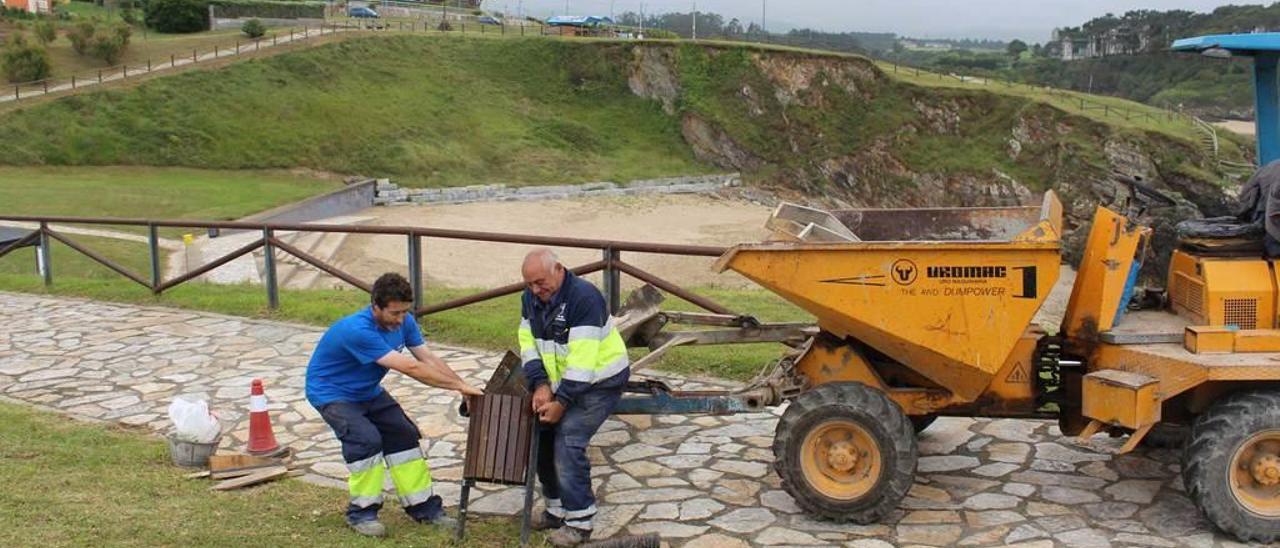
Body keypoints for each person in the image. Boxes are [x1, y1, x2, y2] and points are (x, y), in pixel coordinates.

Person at [305, 272, 483, 538]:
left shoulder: (405, 321)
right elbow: (411, 367)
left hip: (367, 391)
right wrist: (458, 387)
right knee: (366, 441)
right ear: (375, 306)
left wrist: (462, 385)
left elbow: (427, 358)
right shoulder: (357, 330)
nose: (400, 320)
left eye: (404, 312)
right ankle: (361, 513)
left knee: (403, 434)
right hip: (332, 393)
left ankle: (423, 507)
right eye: (394, 313)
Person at [518, 248, 631, 547]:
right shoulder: (530, 298)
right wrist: (540, 384)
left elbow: (583, 362)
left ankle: (580, 522)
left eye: (540, 282)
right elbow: (527, 342)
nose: (535, 290)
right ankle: (555, 510)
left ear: (559, 269)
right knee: (541, 433)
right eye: (529, 284)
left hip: (601, 381)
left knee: (568, 439)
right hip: (561, 380)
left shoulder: (585, 298)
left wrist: (561, 402)